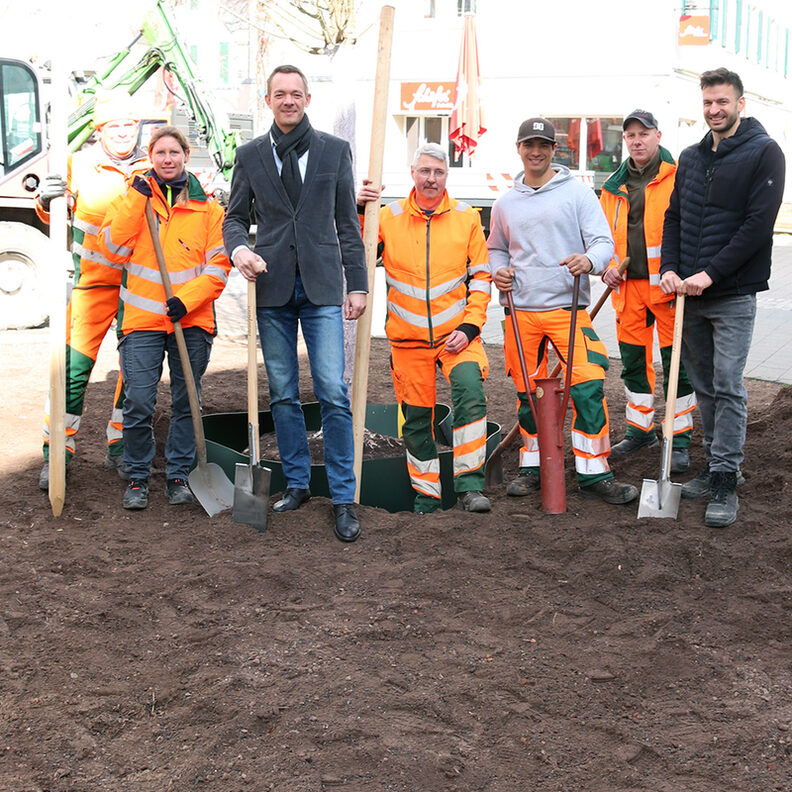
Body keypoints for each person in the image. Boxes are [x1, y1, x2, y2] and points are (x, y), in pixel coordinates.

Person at [222, 65, 368, 543]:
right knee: (282, 393)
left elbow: (348, 222)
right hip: (273, 288)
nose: (288, 101)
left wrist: (358, 284)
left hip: (324, 287)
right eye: (279, 94)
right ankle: (299, 484)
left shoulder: (333, 150)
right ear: (267, 101)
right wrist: (240, 249)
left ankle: (344, 499)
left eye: (296, 94)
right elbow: (234, 220)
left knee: (332, 390)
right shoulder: (248, 155)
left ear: (308, 98)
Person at [488, 118, 638, 505]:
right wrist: (498, 271)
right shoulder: (505, 203)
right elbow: (496, 249)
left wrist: (589, 261)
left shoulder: (578, 194)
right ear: (518, 148)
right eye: (528, 145)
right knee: (528, 395)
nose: (535, 152)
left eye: (543, 145)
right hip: (520, 312)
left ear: (554, 150)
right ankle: (533, 468)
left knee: (588, 385)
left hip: (567, 309)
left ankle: (594, 473)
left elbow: (603, 242)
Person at [660, 68, 785, 528]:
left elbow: (757, 226)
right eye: (708, 102)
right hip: (687, 294)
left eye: (723, 102)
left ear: (740, 103)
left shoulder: (765, 153)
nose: (715, 110)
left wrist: (710, 274)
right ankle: (716, 463)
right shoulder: (691, 158)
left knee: (729, 384)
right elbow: (673, 218)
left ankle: (727, 479)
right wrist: (669, 270)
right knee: (705, 385)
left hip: (730, 293)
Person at [98, 126, 231, 510]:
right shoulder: (132, 200)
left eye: (174, 152)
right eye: (160, 153)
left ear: (186, 156)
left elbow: (219, 266)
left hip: (191, 321)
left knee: (187, 401)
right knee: (138, 400)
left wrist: (186, 301)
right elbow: (111, 249)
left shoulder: (209, 210)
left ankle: (178, 475)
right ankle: (138, 477)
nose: (168, 159)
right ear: (150, 158)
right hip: (141, 321)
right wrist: (134, 202)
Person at [357, 143, 493, 514]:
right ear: (412, 173)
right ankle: (427, 496)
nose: (431, 179)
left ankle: (469, 487)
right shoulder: (388, 216)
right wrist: (360, 208)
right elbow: (355, 248)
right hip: (408, 342)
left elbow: (482, 278)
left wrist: (470, 326)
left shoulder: (467, 218)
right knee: (417, 420)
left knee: (469, 392)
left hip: (458, 337)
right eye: (425, 171)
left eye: (439, 172)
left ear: (447, 176)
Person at [37, 93, 149, 490]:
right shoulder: (77, 164)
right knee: (70, 370)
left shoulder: (152, 165)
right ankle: (57, 452)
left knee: (136, 375)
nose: (123, 133)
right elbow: (53, 212)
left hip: (139, 289)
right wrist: (47, 199)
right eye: (114, 126)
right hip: (92, 286)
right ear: (99, 130)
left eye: (129, 125)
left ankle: (121, 447)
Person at [599, 110, 697, 473]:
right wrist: (607, 268)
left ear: (658, 135)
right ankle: (641, 431)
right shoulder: (613, 185)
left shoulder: (678, 176)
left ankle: (679, 437)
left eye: (644, 133)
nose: (637, 141)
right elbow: (603, 237)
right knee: (634, 365)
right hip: (628, 290)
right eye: (630, 136)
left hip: (670, 290)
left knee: (678, 368)